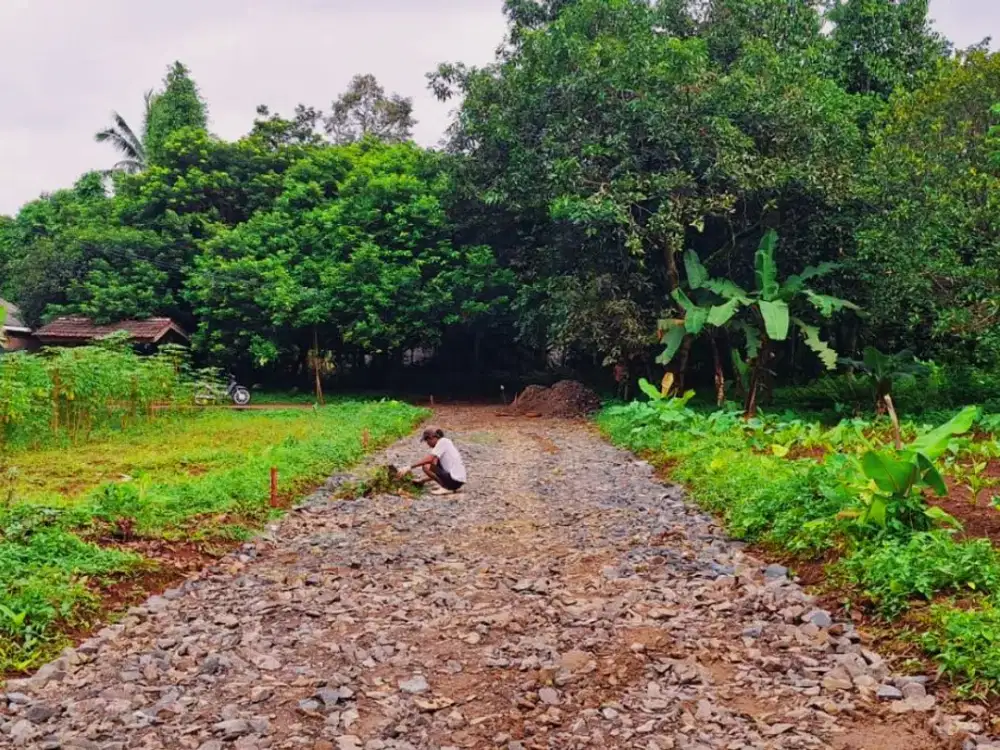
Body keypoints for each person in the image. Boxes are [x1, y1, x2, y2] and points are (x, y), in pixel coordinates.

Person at [399, 427, 467, 495]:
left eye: (427, 440)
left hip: (454, 480)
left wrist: (409, 467)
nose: (427, 443)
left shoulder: (442, 442)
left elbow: (430, 459)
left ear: (432, 437)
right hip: (457, 481)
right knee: (434, 465)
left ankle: (447, 488)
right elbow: (436, 471)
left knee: (426, 466)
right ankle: (449, 486)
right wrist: (422, 481)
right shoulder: (446, 443)